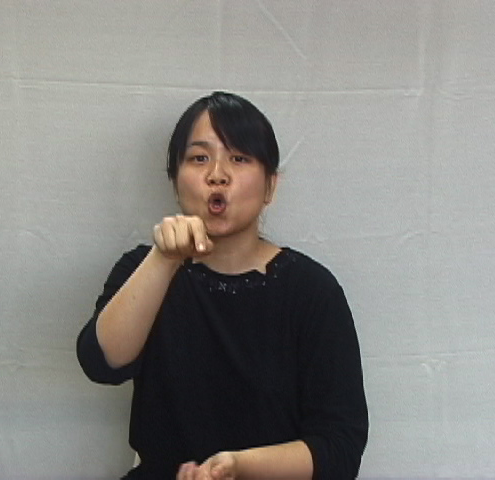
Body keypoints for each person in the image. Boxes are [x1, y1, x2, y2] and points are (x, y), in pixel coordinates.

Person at [77, 91, 369, 479]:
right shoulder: (143, 268)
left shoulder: (312, 291)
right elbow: (101, 363)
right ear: (175, 180)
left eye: (239, 158)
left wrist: (238, 467)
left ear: (270, 186)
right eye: (199, 158)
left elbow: (340, 449)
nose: (218, 174)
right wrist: (164, 259)